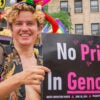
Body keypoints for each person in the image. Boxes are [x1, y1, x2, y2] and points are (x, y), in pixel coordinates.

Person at [0, 2, 50, 100]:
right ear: (11, 28)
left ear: (39, 28)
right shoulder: (1, 54)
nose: (24, 28)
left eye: (30, 23)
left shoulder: (47, 62)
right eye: (18, 24)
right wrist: (19, 79)